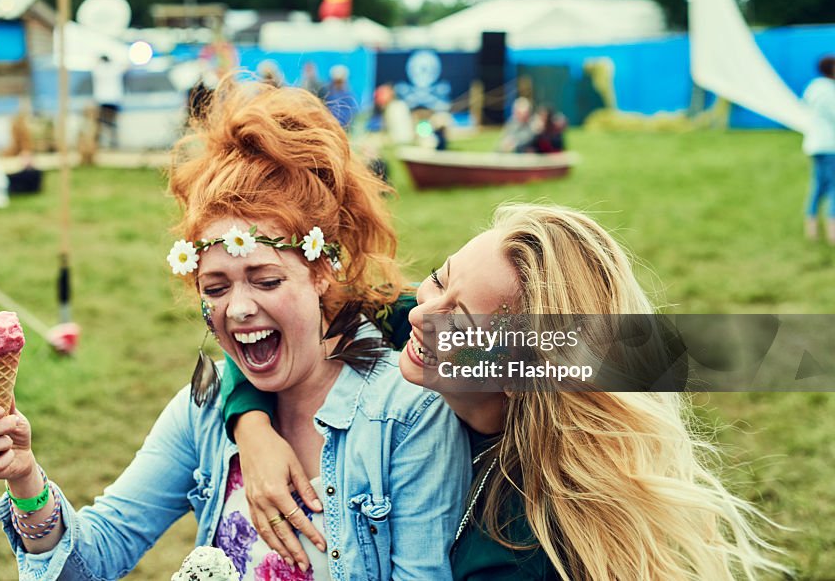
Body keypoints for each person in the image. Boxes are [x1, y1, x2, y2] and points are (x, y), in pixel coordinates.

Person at [0, 78, 470, 580]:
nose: (240, 309)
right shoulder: (202, 410)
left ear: (320, 272)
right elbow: (91, 560)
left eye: (266, 279)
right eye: (216, 287)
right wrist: (25, 479)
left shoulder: (407, 413)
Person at [224, 203, 786, 580]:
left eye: (459, 316)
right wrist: (251, 426)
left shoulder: (526, 543)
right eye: (441, 278)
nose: (421, 313)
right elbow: (274, 327)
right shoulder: (428, 338)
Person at [802, 55, 835, 242]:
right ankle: (833, 234)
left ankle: (812, 231)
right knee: (833, 188)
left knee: (818, 186)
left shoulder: (812, 89)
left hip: (814, 144)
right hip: (830, 145)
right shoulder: (829, 92)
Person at [92, 55, 125, 149]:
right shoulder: (115, 68)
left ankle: (97, 144)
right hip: (114, 99)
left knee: (99, 124)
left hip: (101, 99)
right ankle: (113, 143)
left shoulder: (98, 69)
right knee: (112, 123)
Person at [325, 65, 358, 131]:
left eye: (340, 82)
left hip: (343, 127)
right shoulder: (328, 94)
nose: (338, 84)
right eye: (337, 82)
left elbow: (352, 112)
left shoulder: (348, 95)